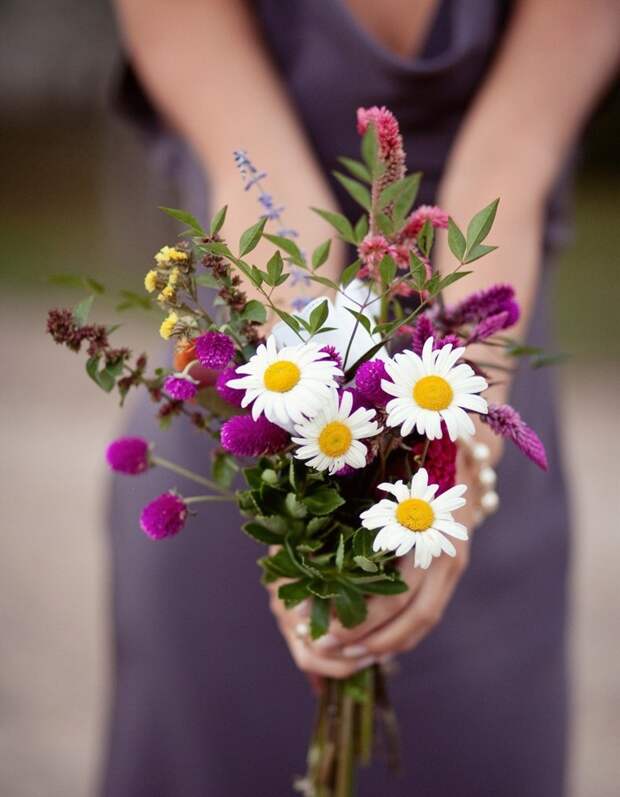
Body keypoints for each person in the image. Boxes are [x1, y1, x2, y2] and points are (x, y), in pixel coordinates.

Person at [104, 1, 619, 795]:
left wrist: (460, 460)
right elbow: (262, 192)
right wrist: (310, 451)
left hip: (468, 405)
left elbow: (509, 166)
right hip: (255, 411)